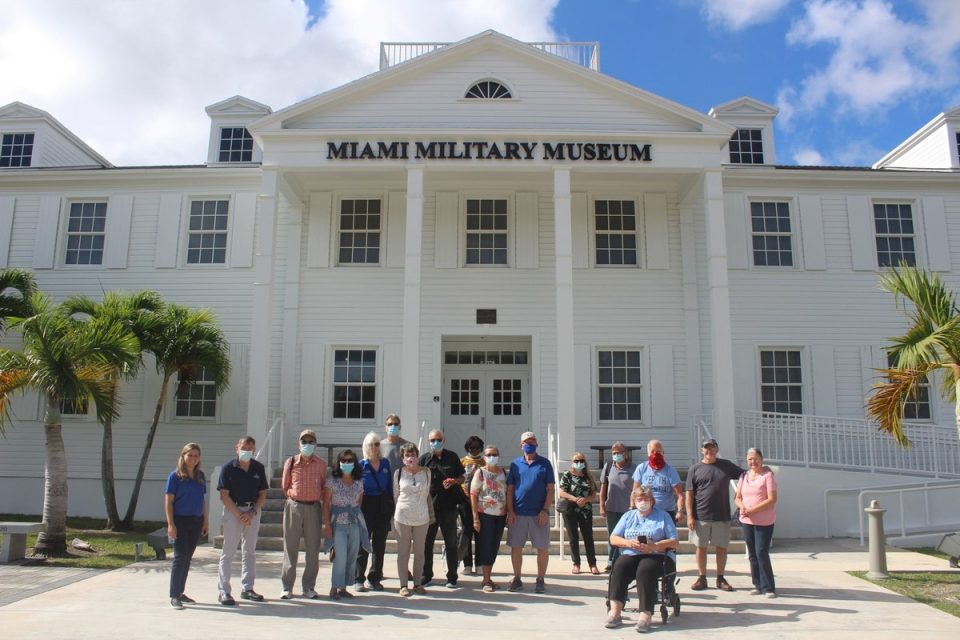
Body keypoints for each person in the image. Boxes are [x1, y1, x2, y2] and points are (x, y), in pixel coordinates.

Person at [606, 485, 679, 633]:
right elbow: (613, 538)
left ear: (652, 501)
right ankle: (615, 612)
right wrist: (627, 542)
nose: (642, 502)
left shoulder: (663, 516)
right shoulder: (628, 516)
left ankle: (645, 614)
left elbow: (674, 541)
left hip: (657, 555)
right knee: (619, 566)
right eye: (639, 499)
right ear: (634, 501)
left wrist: (654, 546)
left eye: (646, 499)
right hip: (632, 552)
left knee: (645, 570)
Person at [685, 438, 746, 592]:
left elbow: (745, 477)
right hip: (700, 516)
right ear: (701, 450)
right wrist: (690, 516)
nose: (709, 451)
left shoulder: (726, 465)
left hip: (722, 515)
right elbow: (689, 495)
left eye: (712, 448)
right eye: (706, 448)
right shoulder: (695, 468)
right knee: (701, 547)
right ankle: (702, 577)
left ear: (717, 450)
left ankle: (720, 578)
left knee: (721, 548)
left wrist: (761, 471)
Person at [216, 436, 268, 605]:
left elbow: (262, 494)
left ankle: (248, 588)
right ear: (236, 448)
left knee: (250, 552)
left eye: (250, 448)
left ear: (254, 450)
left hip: (252, 512)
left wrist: (252, 512)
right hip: (233, 512)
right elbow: (224, 495)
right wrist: (239, 515)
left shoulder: (258, 468)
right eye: (243, 448)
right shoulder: (228, 468)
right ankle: (224, 591)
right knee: (228, 552)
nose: (246, 451)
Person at [280, 429, 328, 600]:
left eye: (311, 442)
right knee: (290, 547)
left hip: (313, 508)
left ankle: (308, 586)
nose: (307, 445)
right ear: (299, 444)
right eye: (304, 442)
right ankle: (287, 587)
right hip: (294, 506)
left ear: (315, 444)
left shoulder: (321, 464)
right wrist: (294, 499)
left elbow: (324, 487)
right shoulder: (291, 462)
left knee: (312, 549)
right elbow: (285, 486)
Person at [506, 431, 555, 593]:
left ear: (536, 444)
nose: (529, 444)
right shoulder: (515, 464)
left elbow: (550, 489)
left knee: (542, 548)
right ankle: (517, 578)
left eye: (532, 441)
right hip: (518, 513)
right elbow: (510, 489)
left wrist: (545, 510)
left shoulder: (545, 464)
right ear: (521, 445)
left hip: (538, 514)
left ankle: (540, 579)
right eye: (526, 442)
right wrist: (510, 511)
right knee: (516, 547)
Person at [419, 428, 466, 588]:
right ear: (428, 442)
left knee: (451, 542)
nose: (435, 443)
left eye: (438, 439)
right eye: (432, 440)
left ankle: (452, 576)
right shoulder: (424, 459)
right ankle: (426, 575)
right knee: (427, 542)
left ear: (443, 440)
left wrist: (453, 481)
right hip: (429, 508)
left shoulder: (452, 457)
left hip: (449, 507)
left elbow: (462, 477)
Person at [165, 442, 208, 610]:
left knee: (188, 559)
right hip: (180, 521)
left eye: (196, 455)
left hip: (196, 521)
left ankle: (181, 592)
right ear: (183, 456)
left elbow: (202, 500)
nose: (193, 458)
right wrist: (171, 524)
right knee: (180, 557)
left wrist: (205, 520)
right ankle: (174, 595)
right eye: (190, 455)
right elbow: (168, 501)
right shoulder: (174, 476)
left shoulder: (200, 476)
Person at [323, 449, 368, 600]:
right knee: (340, 558)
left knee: (351, 557)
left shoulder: (359, 483)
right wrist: (327, 525)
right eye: (344, 461)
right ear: (339, 462)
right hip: (338, 525)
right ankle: (334, 588)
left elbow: (359, 503)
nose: (347, 463)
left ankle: (343, 588)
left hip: (354, 524)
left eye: (350, 461)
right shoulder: (332, 481)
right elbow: (326, 504)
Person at [735, 447, 778, 598]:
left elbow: (772, 500)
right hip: (746, 520)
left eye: (755, 458)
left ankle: (769, 587)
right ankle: (758, 584)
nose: (753, 461)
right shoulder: (743, 476)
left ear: (762, 459)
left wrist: (752, 510)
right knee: (752, 553)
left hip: (764, 521)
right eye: (750, 459)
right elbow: (737, 497)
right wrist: (742, 508)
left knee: (761, 552)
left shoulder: (767, 475)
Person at [355, 431, 392, 592]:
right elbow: (355, 488)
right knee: (363, 543)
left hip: (382, 504)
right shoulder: (361, 465)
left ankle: (375, 577)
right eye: (371, 444)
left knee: (379, 543)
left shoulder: (385, 464)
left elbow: (390, 486)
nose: (374, 447)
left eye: (377, 444)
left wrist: (391, 507)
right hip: (366, 504)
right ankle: (358, 578)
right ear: (365, 447)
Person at [393, 442, 432, 597]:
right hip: (402, 517)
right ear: (403, 458)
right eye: (407, 455)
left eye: (413, 455)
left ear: (417, 456)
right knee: (403, 552)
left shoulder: (427, 472)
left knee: (420, 552)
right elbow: (396, 495)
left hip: (422, 517)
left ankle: (417, 583)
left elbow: (427, 491)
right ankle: (403, 585)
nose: (411, 458)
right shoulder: (399, 473)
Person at [470, 444, 507, 592]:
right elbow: (473, 494)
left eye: (494, 454)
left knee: (494, 546)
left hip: (500, 515)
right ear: (484, 457)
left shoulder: (503, 472)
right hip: (485, 515)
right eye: (489, 455)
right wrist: (475, 517)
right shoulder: (480, 473)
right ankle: (485, 579)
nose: (492, 457)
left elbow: (507, 492)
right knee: (485, 546)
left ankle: (488, 576)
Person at [558, 451, 599, 574]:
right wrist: (575, 499)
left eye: (581, 460)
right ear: (572, 463)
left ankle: (592, 564)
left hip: (585, 511)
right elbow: (561, 492)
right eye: (576, 461)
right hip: (570, 510)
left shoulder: (589, 476)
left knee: (588, 537)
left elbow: (593, 494)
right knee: (573, 538)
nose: (579, 463)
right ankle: (576, 563)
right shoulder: (567, 475)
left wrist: (585, 500)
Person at [599, 441, 636, 571]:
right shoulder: (608, 467)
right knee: (612, 535)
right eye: (614, 453)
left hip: (628, 509)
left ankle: (627, 561)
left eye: (619, 453)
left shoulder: (634, 468)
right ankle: (611, 561)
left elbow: (638, 488)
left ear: (625, 454)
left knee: (627, 536)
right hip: (611, 508)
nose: (616, 455)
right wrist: (602, 505)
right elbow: (603, 487)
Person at [632, 439, 685, 522]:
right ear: (648, 453)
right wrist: (633, 509)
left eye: (658, 451)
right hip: (645, 511)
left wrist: (680, 511)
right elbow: (634, 492)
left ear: (663, 453)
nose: (656, 454)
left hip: (666, 513)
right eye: (653, 451)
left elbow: (680, 495)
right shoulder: (641, 468)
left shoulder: (670, 471)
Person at [458, 434, 485, 576]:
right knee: (466, 532)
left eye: (477, 447)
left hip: (481, 502)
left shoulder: (485, 462)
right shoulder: (462, 461)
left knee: (480, 533)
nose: (474, 450)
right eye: (471, 447)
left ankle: (480, 563)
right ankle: (467, 564)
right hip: (465, 501)